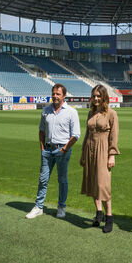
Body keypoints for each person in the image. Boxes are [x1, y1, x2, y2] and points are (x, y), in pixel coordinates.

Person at [26, 83, 80, 219]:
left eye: (58, 94)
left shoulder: (72, 112)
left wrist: (65, 149)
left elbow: (76, 135)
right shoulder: (46, 111)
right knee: (43, 179)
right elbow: (41, 130)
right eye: (54, 93)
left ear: (64, 96)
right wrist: (42, 148)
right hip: (47, 150)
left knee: (62, 180)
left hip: (62, 150)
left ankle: (61, 207)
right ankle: (39, 207)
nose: (55, 96)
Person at [80, 84, 120, 233]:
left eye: (99, 96)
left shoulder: (111, 113)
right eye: (94, 96)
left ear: (104, 97)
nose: (96, 99)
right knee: (92, 182)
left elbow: (113, 137)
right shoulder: (90, 113)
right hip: (89, 149)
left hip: (103, 151)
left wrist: (112, 156)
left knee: (103, 185)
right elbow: (86, 135)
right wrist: (83, 153)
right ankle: (98, 213)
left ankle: (109, 217)